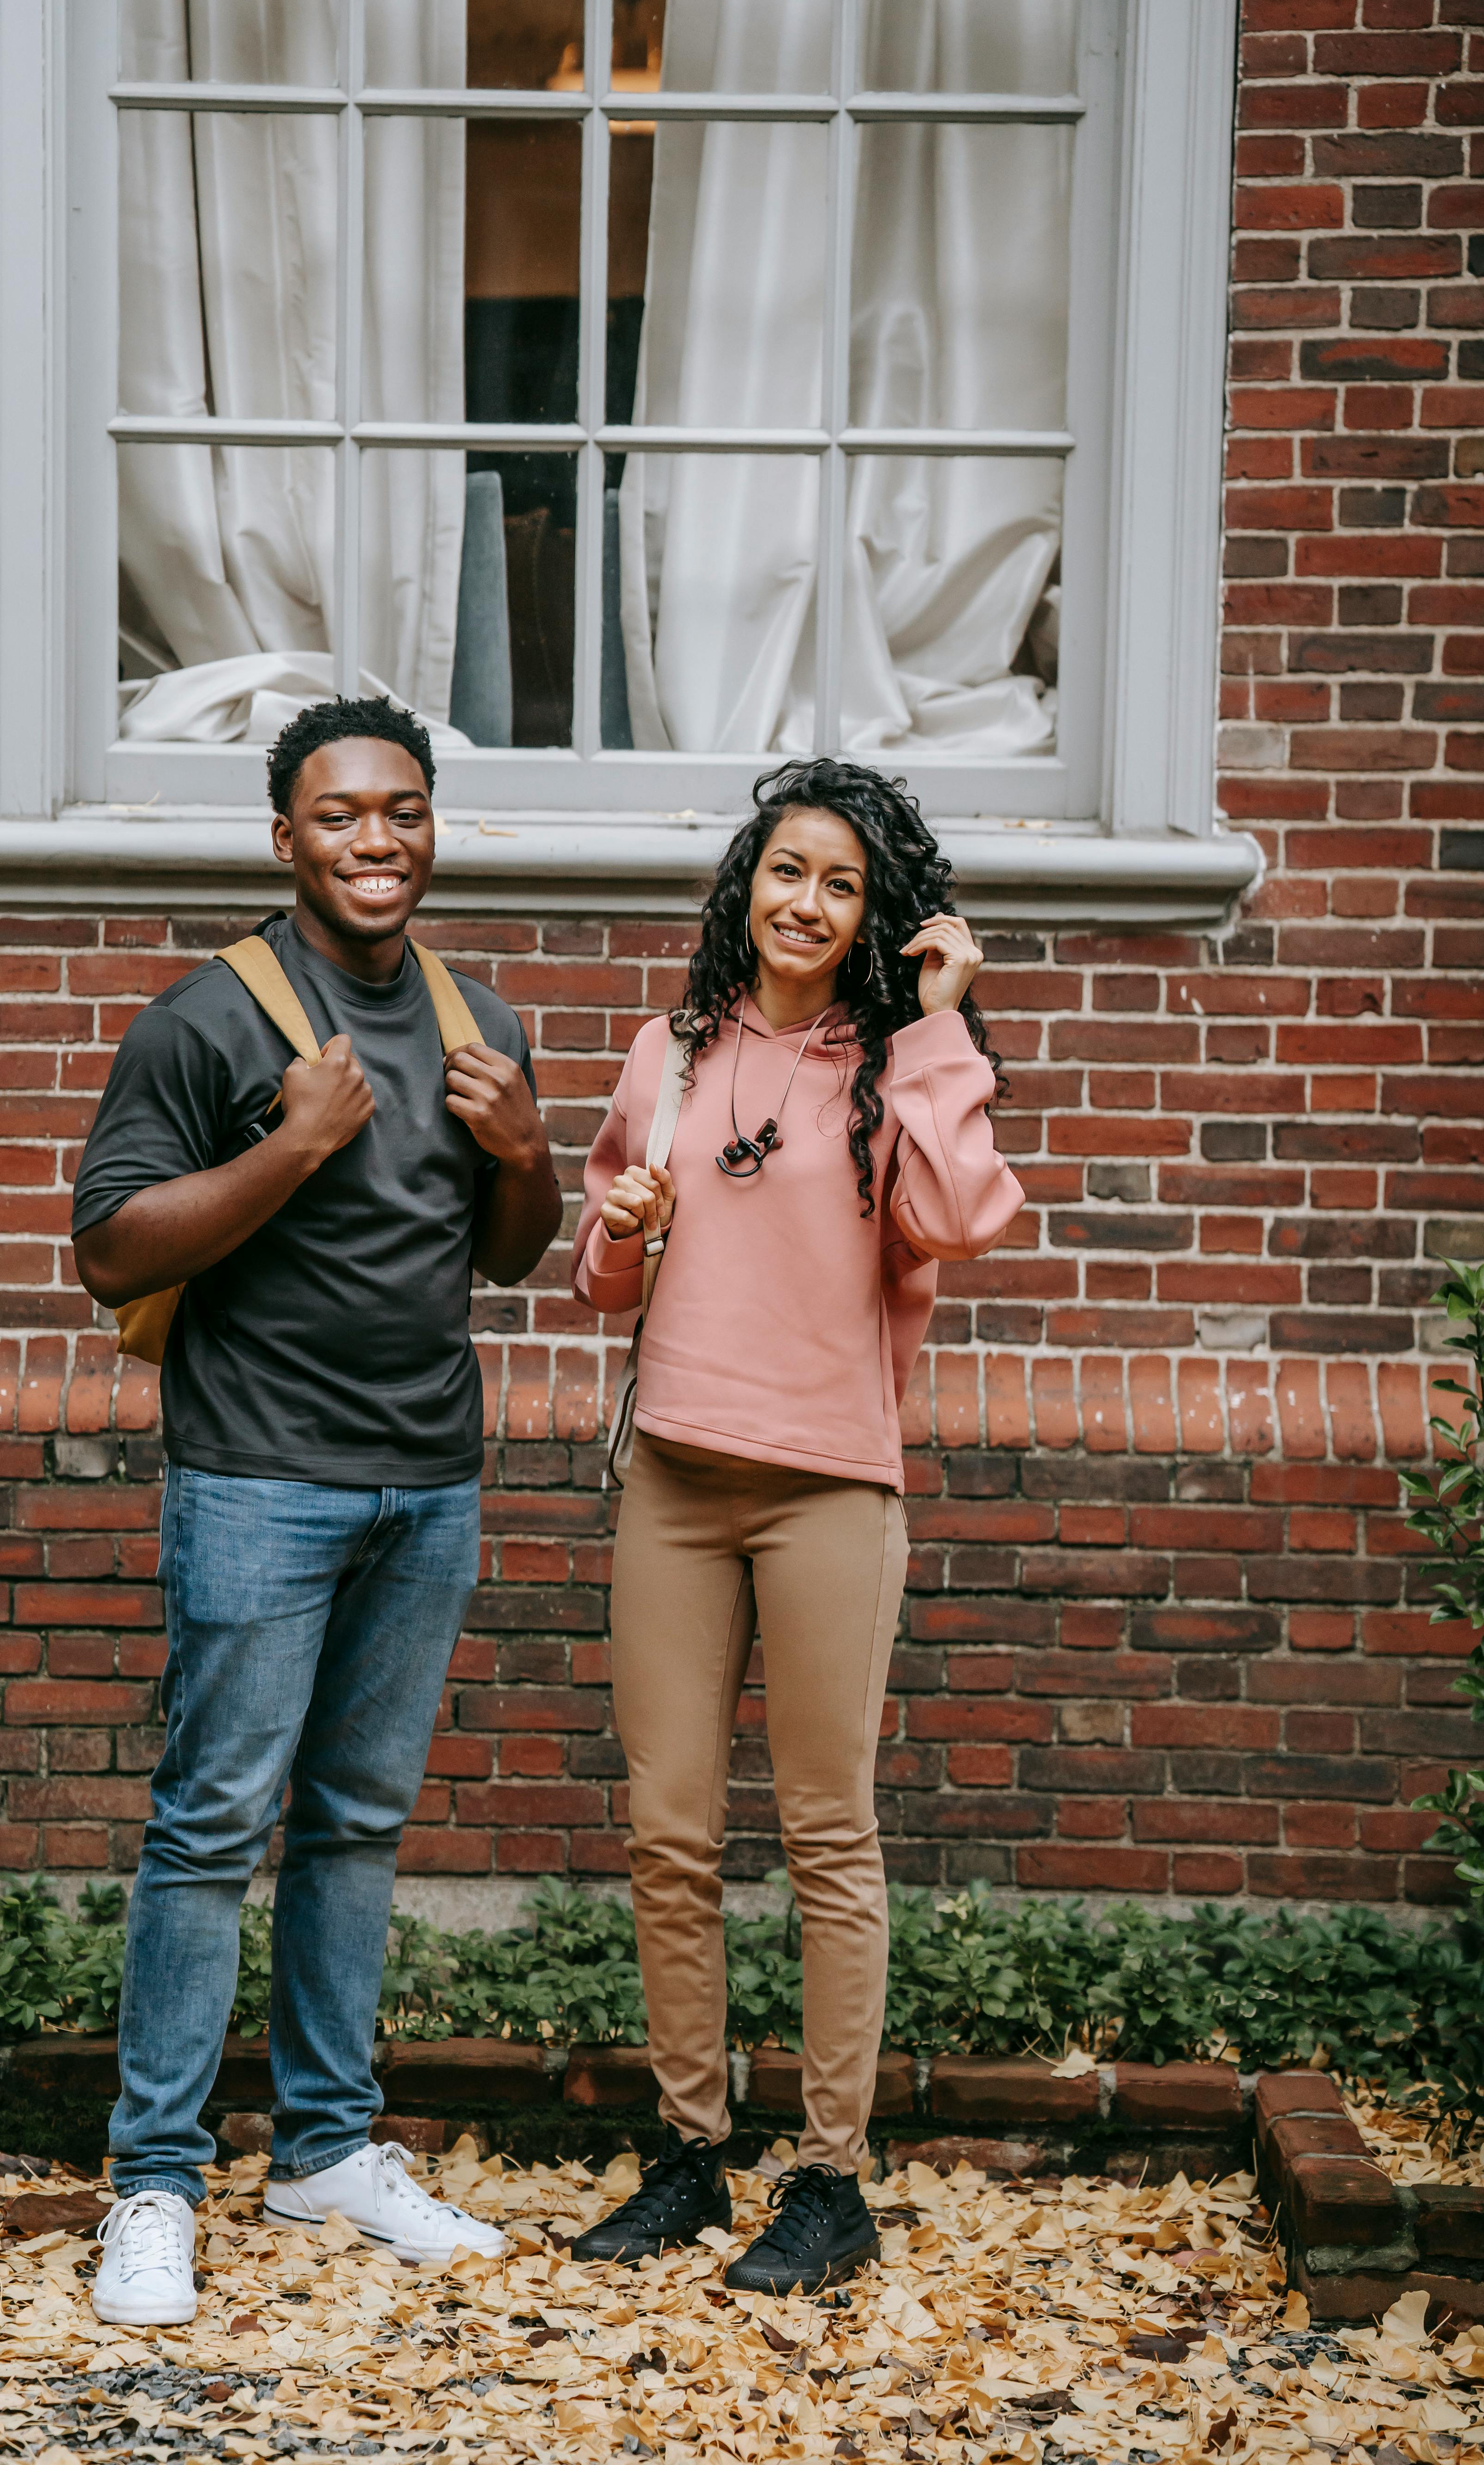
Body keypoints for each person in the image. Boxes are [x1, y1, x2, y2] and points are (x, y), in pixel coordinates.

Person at [70, 695, 562, 2328]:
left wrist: (527, 1153)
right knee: (212, 1826)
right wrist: (295, 1146)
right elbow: (111, 1253)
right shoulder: (208, 1021)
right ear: (285, 837)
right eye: (341, 814)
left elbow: (507, 1257)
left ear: (432, 827)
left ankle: (329, 2149)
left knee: (355, 1825)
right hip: (257, 1479)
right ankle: (156, 2179)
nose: (376, 839)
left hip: (428, 1483)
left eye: (402, 810)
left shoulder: (477, 1017)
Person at [569, 759, 1022, 2296]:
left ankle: (829, 2180)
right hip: (675, 1482)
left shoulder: (901, 1070)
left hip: (830, 1483)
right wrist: (620, 1230)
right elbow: (603, 1278)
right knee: (669, 1833)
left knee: (828, 1835)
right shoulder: (673, 1051)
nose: (808, 903)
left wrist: (942, 1022)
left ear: (878, 914)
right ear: (744, 885)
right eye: (786, 870)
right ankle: (691, 2155)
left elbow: (958, 1221)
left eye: (842, 883)